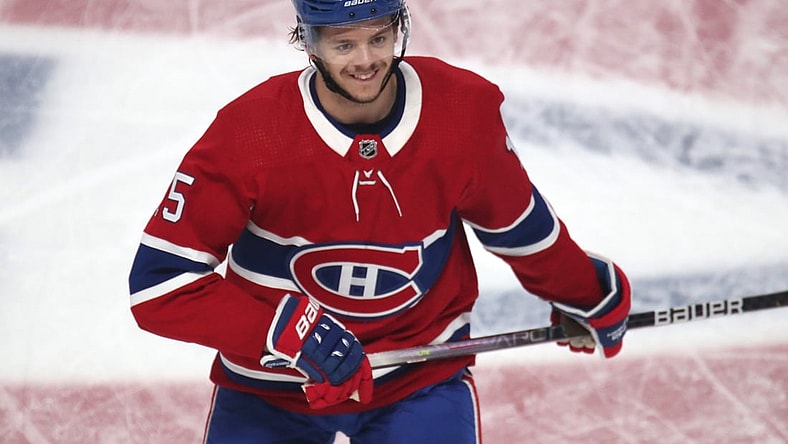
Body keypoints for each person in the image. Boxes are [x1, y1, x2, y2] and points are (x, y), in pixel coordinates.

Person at [128, 1, 631, 442]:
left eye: (379, 37)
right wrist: (283, 332)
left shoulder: (461, 112)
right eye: (344, 43)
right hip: (275, 388)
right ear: (310, 42)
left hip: (419, 375)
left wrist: (587, 292)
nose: (367, 60)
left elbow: (519, 229)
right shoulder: (251, 133)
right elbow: (158, 286)